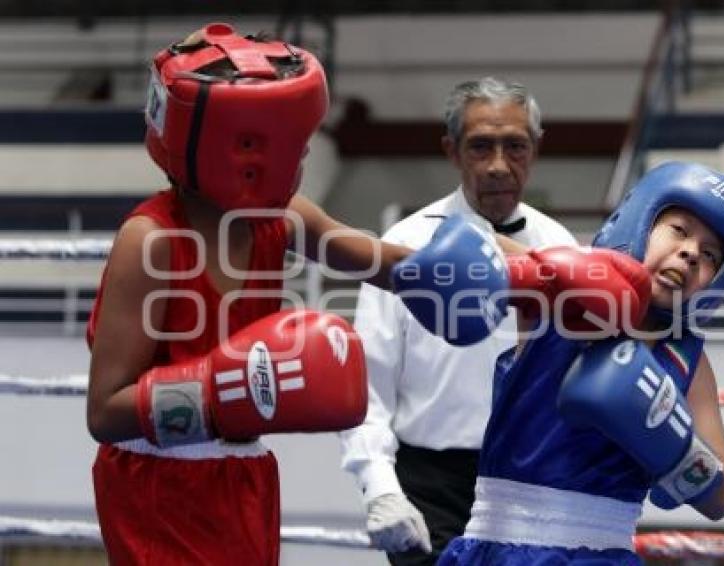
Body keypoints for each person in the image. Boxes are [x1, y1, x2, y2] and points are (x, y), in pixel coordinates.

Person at [85, 24, 511, 566]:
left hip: (244, 471)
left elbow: (386, 265)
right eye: (293, 143)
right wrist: (220, 393)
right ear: (242, 147)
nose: (301, 157)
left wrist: (506, 273)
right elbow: (104, 410)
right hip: (156, 481)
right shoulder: (151, 243)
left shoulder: (281, 218)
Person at [437, 161, 724, 565]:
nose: (690, 253)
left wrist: (671, 444)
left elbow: (721, 497)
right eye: (679, 230)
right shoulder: (564, 292)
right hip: (495, 545)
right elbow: (475, 246)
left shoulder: (687, 361)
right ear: (639, 221)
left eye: (711, 254)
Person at [339, 76, 579, 565]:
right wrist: (378, 486)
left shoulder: (563, 249)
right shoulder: (403, 246)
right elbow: (368, 385)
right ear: (452, 151)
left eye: (514, 147)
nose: (497, 166)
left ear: (534, 150)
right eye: (480, 147)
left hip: (531, 481)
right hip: (432, 484)